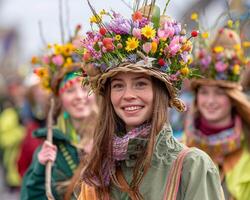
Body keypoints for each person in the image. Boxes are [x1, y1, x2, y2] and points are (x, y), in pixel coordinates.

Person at [77, 2, 224, 200]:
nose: (128, 95)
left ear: (161, 92)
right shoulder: (98, 171)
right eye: (118, 85)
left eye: (140, 84)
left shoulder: (191, 166)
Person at [20, 31, 98, 200]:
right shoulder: (49, 148)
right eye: (70, 90)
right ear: (60, 100)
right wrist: (40, 170)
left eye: (85, 88)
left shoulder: (115, 139)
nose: (79, 96)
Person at [184, 23, 250, 200]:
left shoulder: (247, 148)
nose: (210, 101)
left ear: (233, 98)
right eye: (204, 92)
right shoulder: (180, 146)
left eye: (220, 93)